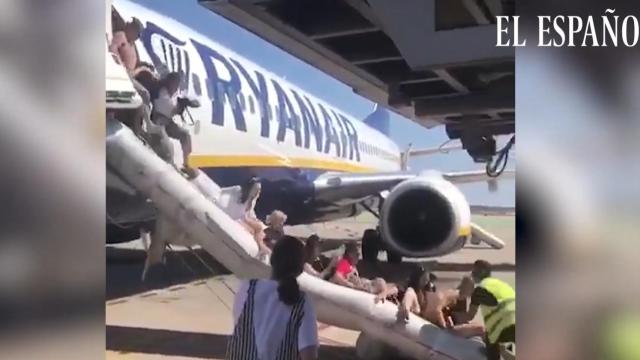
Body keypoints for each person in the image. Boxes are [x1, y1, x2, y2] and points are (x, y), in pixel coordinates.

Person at [227, 236, 318, 360]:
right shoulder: (301, 302)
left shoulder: (247, 287)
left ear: (272, 261)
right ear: (300, 270)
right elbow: (309, 355)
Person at [397, 270, 484, 338]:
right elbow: (436, 309)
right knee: (481, 328)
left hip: (437, 320)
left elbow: (465, 317)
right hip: (435, 323)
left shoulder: (460, 299)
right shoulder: (453, 294)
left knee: (480, 328)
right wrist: (444, 326)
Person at [457, 260, 515, 360]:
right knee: (504, 347)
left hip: (504, 323)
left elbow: (469, 316)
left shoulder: (479, 291)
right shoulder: (499, 284)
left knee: (492, 349)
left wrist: (454, 316)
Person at [150, 71, 195, 177]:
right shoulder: (162, 92)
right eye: (176, 84)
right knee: (167, 144)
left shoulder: (170, 94)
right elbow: (168, 110)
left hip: (167, 122)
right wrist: (180, 107)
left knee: (185, 135)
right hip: (158, 121)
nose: (176, 87)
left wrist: (183, 104)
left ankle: (187, 164)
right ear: (170, 82)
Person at [330, 243, 397, 300]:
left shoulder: (351, 265)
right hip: (361, 286)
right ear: (350, 254)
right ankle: (384, 293)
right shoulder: (345, 263)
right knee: (381, 282)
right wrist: (350, 285)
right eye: (356, 253)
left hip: (363, 284)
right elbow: (337, 276)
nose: (359, 255)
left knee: (393, 287)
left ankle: (385, 292)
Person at [229, 178, 270, 259]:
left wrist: (254, 219)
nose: (258, 192)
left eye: (259, 190)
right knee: (258, 228)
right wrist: (249, 220)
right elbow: (240, 213)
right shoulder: (239, 194)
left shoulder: (251, 200)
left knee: (260, 228)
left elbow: (250, 213)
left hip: (244, 219)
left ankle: (263, 246)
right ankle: (261, 246)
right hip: (238, 219)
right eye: (256, 189)